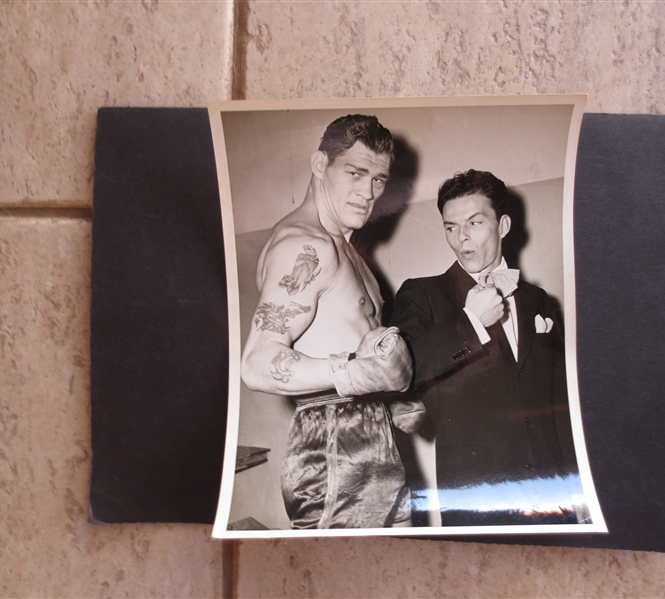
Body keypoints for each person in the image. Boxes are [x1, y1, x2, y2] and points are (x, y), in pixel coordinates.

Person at [240, 114, 413, 529]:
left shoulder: (346, 248)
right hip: (333, 445)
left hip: (369, 434)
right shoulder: (306, 245)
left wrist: (395, 400)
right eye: (355, 173)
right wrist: (356, 373)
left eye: (379, 179)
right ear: (320, 165)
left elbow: (353, 355)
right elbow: (257, 363)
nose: (369, 192)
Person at [390, 169, 579, 527]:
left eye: (475, 223)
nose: (462, 238)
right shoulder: (421, 295)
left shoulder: (537, 299)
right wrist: (472, 324)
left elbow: (558, 405)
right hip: (476, 495)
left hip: (550, 493)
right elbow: (406, 369)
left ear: (503, 225)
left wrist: (575, 487)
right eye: (450, 227)